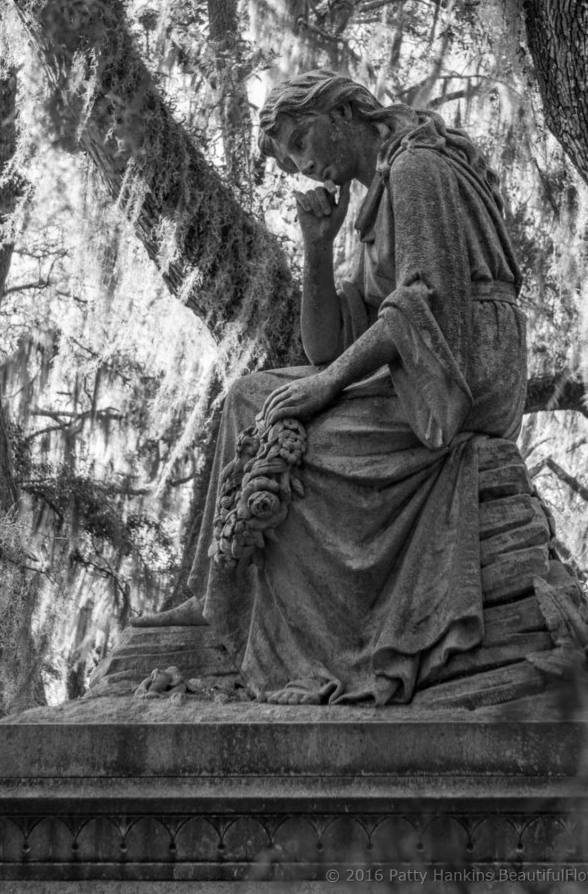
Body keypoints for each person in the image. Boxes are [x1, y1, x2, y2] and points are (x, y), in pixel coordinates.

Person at [133, 70, 537, 706]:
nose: (303, 161)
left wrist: (325, 387)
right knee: (250, 394)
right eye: (291, 154)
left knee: (278, 414)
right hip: (421, 363)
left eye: (301, 139)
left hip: (463, 372)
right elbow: (329, 344)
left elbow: (425, 303)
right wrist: (316, 247)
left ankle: (232, 619)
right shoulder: (374, 200)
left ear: (345, 110)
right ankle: (222, 601)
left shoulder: (415, 169)